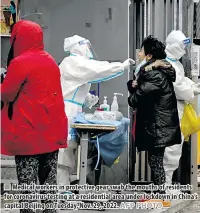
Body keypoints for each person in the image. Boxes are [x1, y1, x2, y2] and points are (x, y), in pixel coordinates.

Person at [1, 20, 68, 213]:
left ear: (18, 39)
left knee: (28, 186)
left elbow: (6, 94)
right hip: (51, 132)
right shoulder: (50, 60)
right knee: (48, 181)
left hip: (29, 133)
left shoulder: (20, 63)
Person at [57, 35, 135, 192]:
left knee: (69, 149)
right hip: (66, 111)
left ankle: (65, 187)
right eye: (85, 45)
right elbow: (98, 69)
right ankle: (61, 189)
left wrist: (87, 99)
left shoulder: (75, 63)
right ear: (78, 46)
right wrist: (121, 66)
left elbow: (72, 88)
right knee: (64, 151)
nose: (88, 49)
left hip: (72, 110)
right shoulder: (73, 63)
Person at [127, 35, 181, 198]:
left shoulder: (154, 74)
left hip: (158, 125)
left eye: (142, 51)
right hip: (158, 123)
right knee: (155, 159)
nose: (139, 53)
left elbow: (138, 97)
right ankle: (160, 190)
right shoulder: (155, 71)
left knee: (156, 160)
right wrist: (133, 84)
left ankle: (160, 192)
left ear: (149, 56)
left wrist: (132, 91)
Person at [163, 30, 200, 188]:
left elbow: (182, 79)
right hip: (169, 111)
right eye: (180, 46)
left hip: (176, 110)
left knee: (175, 148)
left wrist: (193, 85)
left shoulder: (175, 63)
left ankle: (167, 184)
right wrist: (192, 90)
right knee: (170, 150)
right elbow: (177, 86)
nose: (183, 50)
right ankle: (165, 185)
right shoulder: (167, 64)